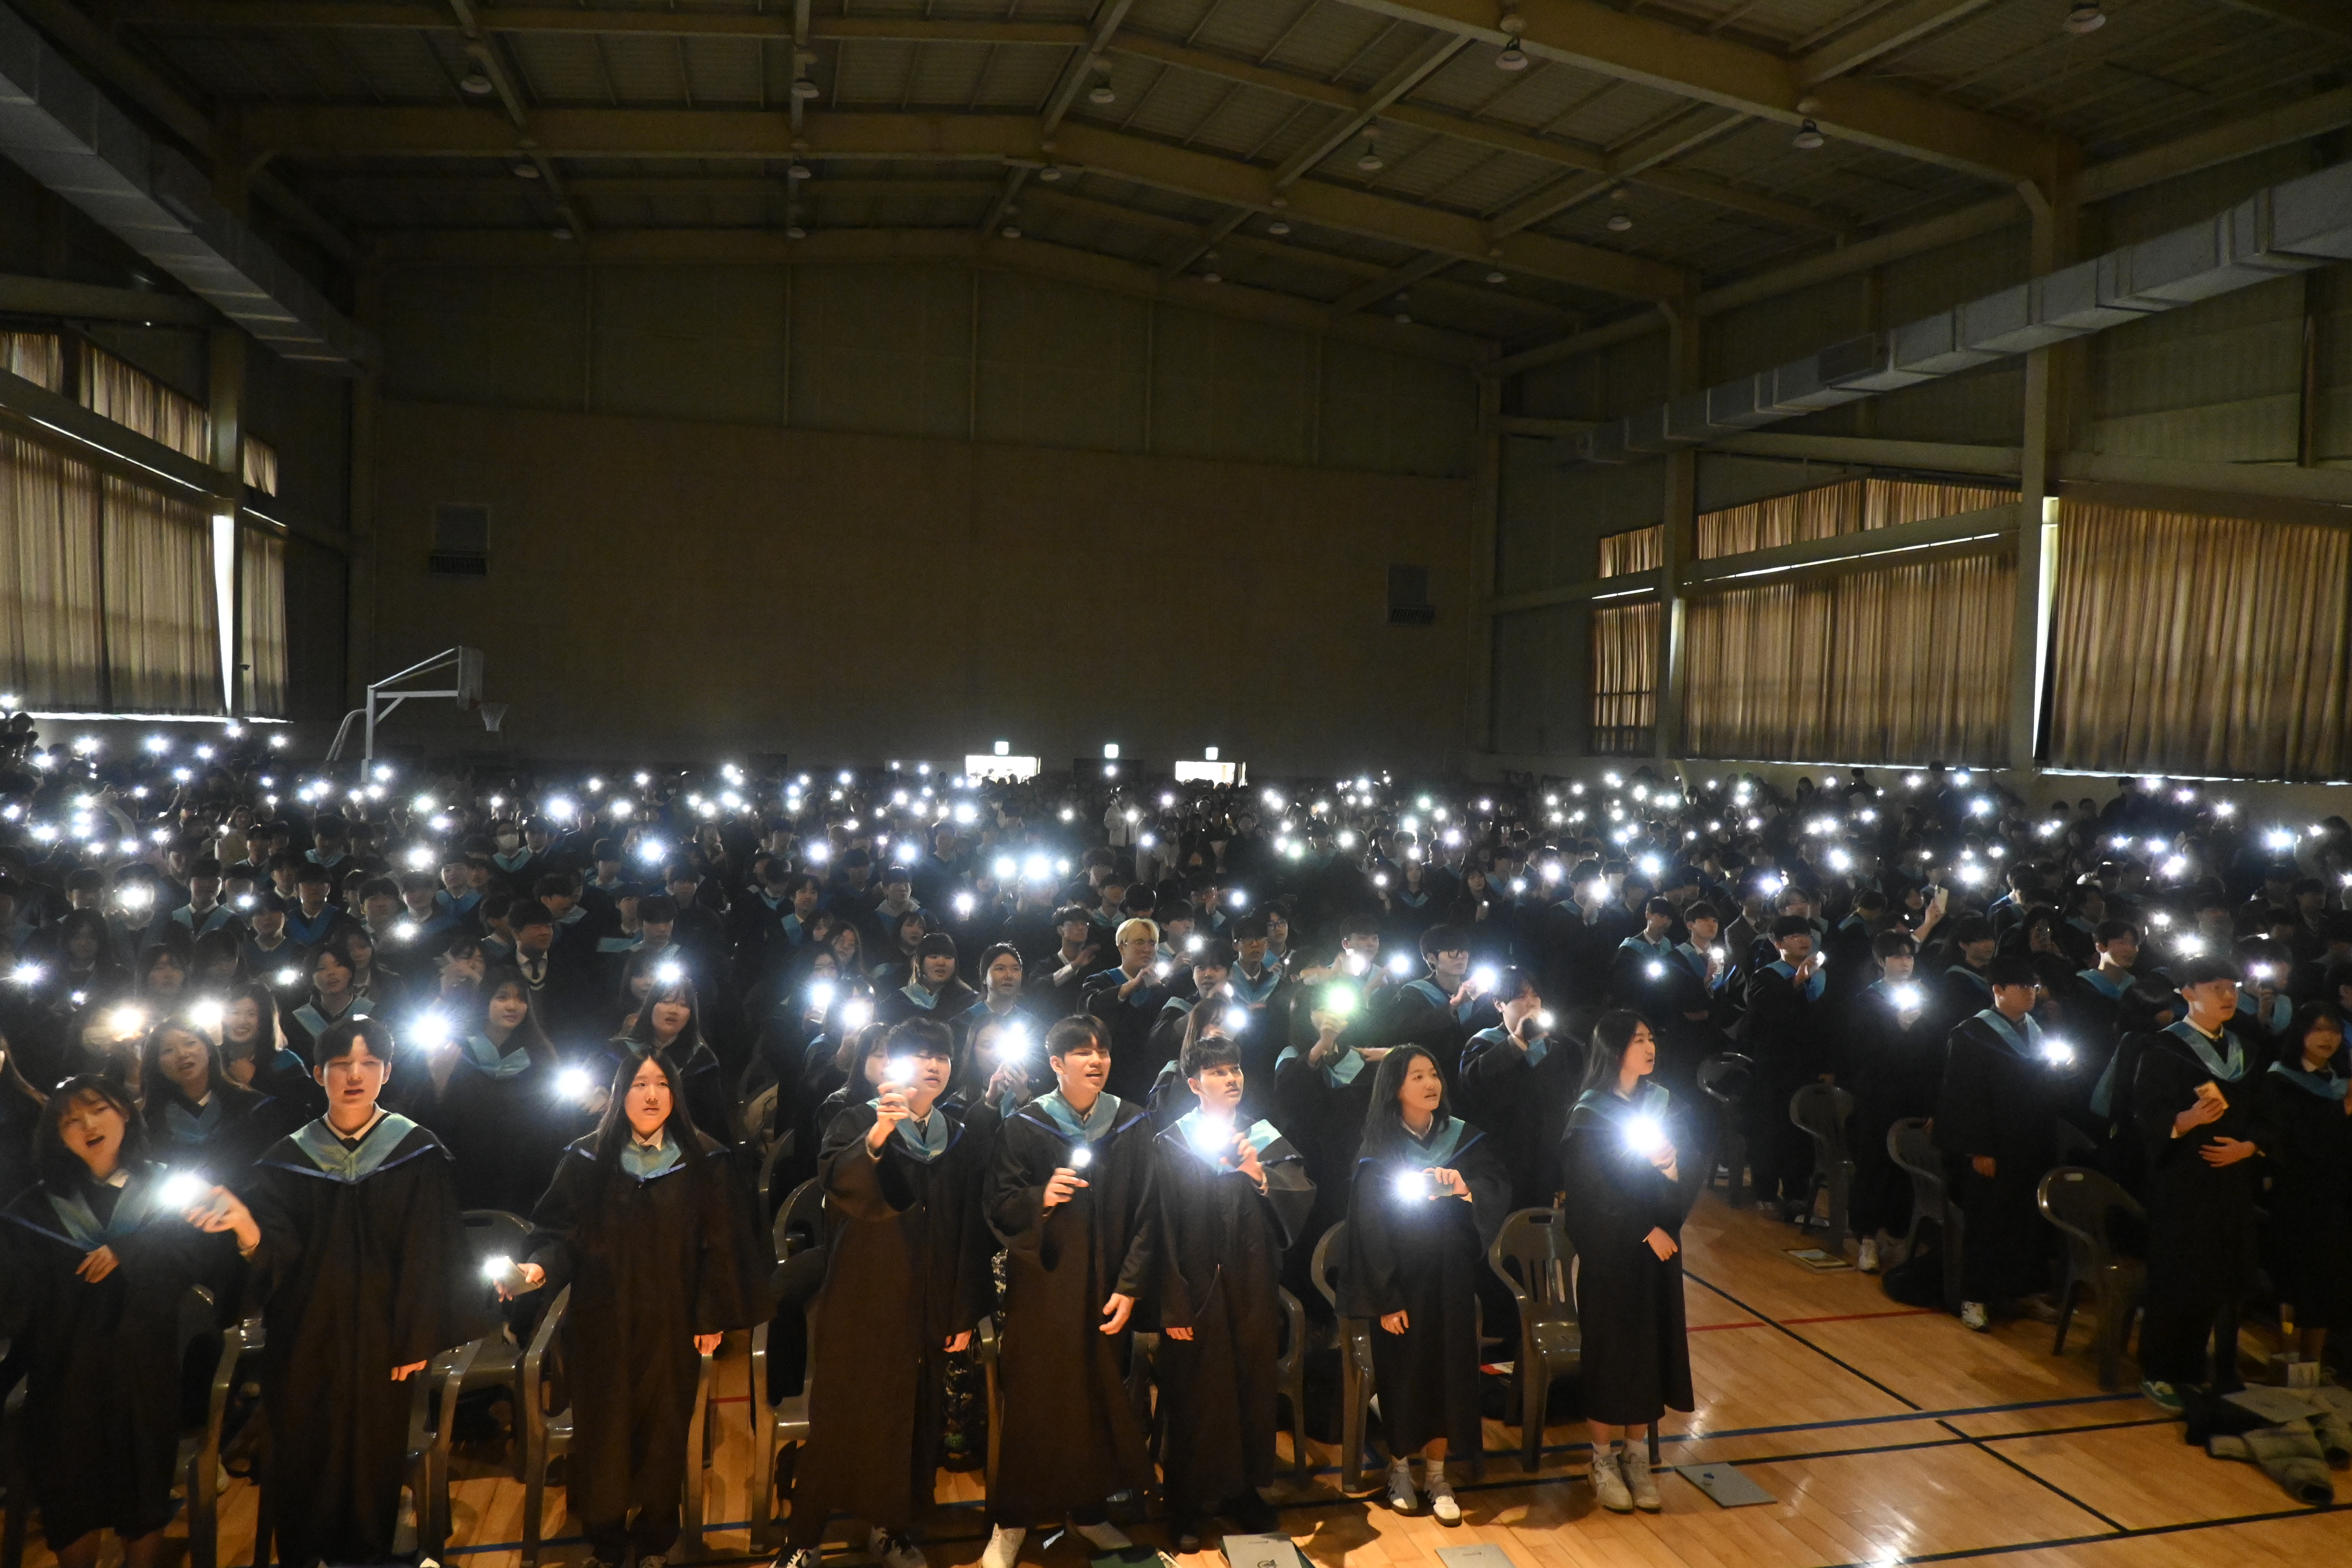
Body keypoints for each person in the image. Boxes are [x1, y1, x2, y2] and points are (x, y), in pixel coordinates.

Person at [183, 1018, 494, 1568]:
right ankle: (306, 1556)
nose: (355, 1076)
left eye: (369, 1064)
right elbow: (277, 1249)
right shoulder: (289, 1158)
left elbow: (432, 1253)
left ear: (387, 1073)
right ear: (320, 1074)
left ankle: (366, 1555)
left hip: (385, 1339)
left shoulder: (414, 1152)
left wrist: (415, 1338)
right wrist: (245, 1227)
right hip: (306, 1335)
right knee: (303, 1451)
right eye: (342, 1066)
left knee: (374, 1455)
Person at [503, 1049, 770, 1568]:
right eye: (639, 1084)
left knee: (665, 1429)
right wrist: (539, 1269)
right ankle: (605, 1540)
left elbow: (721, 1243)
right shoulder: (586, 1160)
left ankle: (654, 1540)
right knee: (603, 1431)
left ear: (676, 1094)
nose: (651, 1095)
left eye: (662, 1085)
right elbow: (559, 1234)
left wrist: (711, 1315)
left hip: (673, 1320)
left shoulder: (704, 1160)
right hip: (602, 1319)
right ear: (619, 1094)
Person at [784, 1019, 997, 1568]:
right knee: (841, 1416)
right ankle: (803, 1539)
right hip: (863, 1293)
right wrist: (878, 1135)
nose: (933, 1066)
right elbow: (837, 1183)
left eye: (942, 1057)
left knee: (912, 1417)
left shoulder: (959, 1134)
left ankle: (892, 1528)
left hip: (926, 1299)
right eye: (919, 1055)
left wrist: (961, 1310)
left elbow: (967, 1230)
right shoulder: (855, 1118)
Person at [0, 1076, 235, 1568]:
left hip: (144, 1376)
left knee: (142, 1497)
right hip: (66, 1381)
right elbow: (17, 1298)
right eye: (69, 1119)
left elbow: (203, 1260)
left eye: (98, 1109)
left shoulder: (171, 1191)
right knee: (70, 1501)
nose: (86, 1124)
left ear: (126, 1113)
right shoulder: (34, 1210)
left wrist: (131, 1250)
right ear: (57, 1135)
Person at [979, 1016, 1158, 1568]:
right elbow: (998, 1204)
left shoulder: (1132, 1124)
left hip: (1107, 1288)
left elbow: (1152, 1213)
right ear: (1056, 1065)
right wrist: (1042, 1199)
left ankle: (1089, 1512)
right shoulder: (1026, 1126)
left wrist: (1130, 1286)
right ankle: (1011, 1524)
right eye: (1083, 1052)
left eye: (1103, 1050)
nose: (1097, 1060)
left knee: (1100, 1403)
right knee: (1035, 1405)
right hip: (1044, 1291)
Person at [1149, 1032, 1314, 1549]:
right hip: (1195, 1290)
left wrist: (1258, 1173)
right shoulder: (1172, 1141)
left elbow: (1300, 1192)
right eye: (1219, 1072)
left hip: (1251, 1284)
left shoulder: (1260, 1136)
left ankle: (1245, 1492)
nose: (1232, 1078)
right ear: (1195, 1083)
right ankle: (1186, 1504)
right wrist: (1172, 1297)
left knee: (1249, 1385)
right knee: (1195, 1393)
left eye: (1236, 1069)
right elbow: (1158, 1226)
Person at [1340, 1044, 1508, 1525]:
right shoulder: (1379, 1151)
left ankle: (1437, 1474)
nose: (1430, 1083)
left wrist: (1463, 1187)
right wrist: (1386, 1299)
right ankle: (1399, 1469)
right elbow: (1369, 1230)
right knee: (1405, 1377)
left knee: (1449, 1375)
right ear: (1395, 1087)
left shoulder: (1463, 1140)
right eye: (1417, 1076)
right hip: (1402, 1288)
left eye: (1433, 1073)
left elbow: (1496, 1184)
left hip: (1451, 1277)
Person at [1559, 1012, 1701, 1513]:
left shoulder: (1662, 1105)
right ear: (1614, 1048)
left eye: (1651, 1036)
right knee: (1611, 1351)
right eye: (1638, 1039)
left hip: (1656, 1255)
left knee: (1647, 1351)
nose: (1649, 1046)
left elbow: (1688, 1168)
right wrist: (1644, 1230)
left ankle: (1636, 1454)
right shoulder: (1590, 1114)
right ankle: (1601, 1458)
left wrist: (1670, 1169)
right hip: (1612, 1255)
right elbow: (1589, 1196)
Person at [2130, 955, 2274, 1410]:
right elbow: (2145, 1114)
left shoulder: (2245, 1051)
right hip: (2183, 1182)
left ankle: (2216, 1364)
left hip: (2232, 1182)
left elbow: (2268, 1118)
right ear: (2188, 992)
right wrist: (2185, 1120)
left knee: (2224, 1275)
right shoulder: (2164, 1048)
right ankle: (2161, 1370)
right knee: (2178, 1277)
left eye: (2232, 986)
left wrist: (2248, 1148)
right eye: (2216, 988)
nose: (2229, 995)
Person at [138, 1012, 282, 1186]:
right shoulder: (148, 1124)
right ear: (157, 1065)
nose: (182, 1054)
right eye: (168, 1050)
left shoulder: (254, 1108)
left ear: (209, 1050)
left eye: (190, 1043)